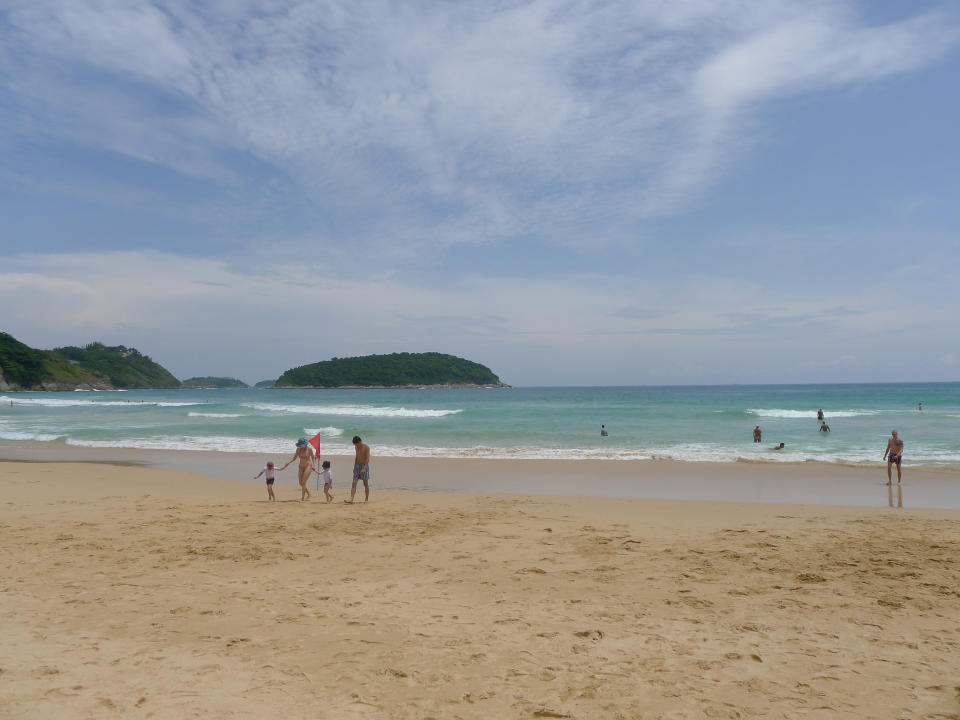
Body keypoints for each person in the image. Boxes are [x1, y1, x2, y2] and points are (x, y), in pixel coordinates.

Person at [280, 437, 316, 502]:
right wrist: (288, 462)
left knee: (303, 482)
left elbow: (313, 457)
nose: (302, 447)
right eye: (301, 446)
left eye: (303, 445)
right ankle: (309, 494)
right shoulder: (298, 449)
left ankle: (302, 499)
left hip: (308, 466)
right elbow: (294, 458)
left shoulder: (309, 449)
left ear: (305, 444)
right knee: (300, 483)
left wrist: (314, 465)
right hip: (301, 466)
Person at [346, 435, 371, 504]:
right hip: (357, 465)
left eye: (356, 444)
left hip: (364, 466)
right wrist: (354, 467)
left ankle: (366, 498)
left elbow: (367, 459)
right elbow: (356, 457)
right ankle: (351, 499)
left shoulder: (366, 447)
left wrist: (364, 468)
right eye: (355, 444)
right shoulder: (356, 447)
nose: (356, 445)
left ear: (360, 442)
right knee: (354, 482)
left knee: (365, 483)